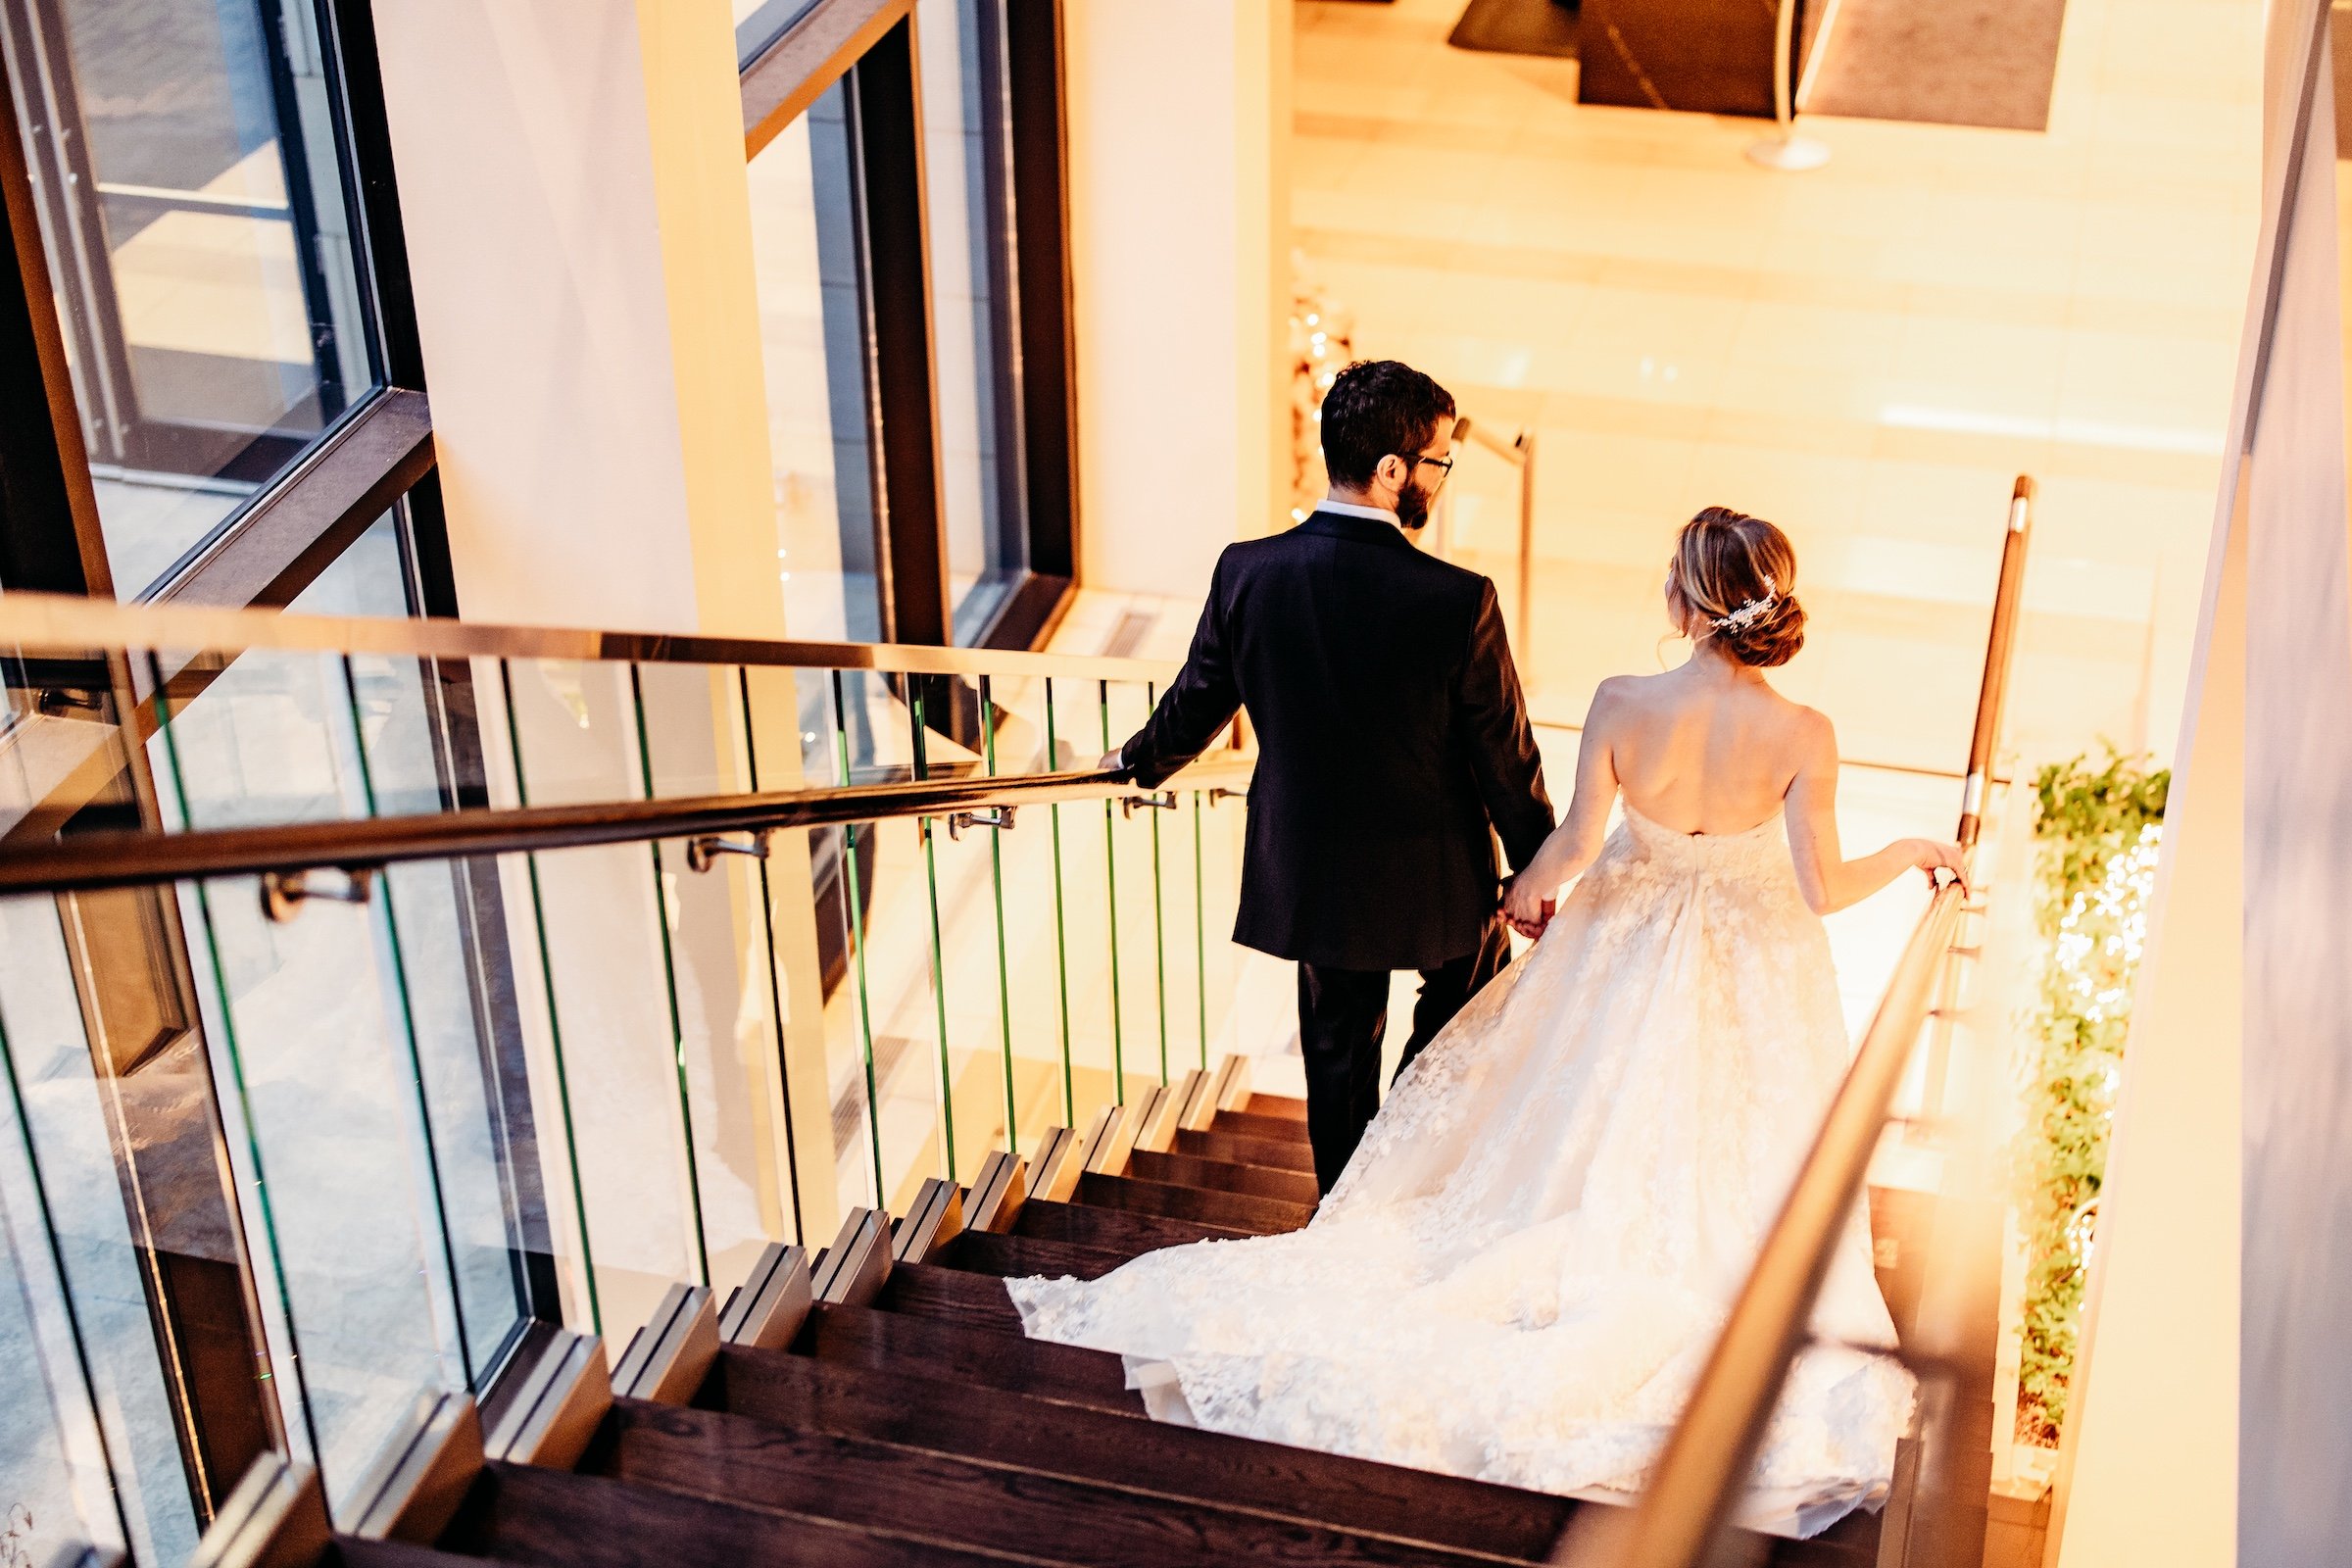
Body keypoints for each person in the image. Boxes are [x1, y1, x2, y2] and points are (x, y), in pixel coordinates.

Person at [1013, 507, 1961, 1537]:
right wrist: (1913, 850)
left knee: (1568, 1127)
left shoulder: (1625, 702)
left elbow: (1577, 848)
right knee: (1720, 1145)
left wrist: (1516, 900)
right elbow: (1821, 888)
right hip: (1745, 967)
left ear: (1689, 600)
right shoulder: (1803, 733)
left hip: (1622, 950)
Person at [1106, 359, 1554, 1194]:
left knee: (1337, 1046)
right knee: (1459, 1007)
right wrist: (1538, 868)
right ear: (1393, 472)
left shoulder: (1249, 570)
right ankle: (1407, 1163)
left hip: (1312, 866)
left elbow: (1200, 696)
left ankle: (1345, 1202)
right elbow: (1504, 752)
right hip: (1436, 872)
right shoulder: (1457, 598)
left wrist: (1137, 761)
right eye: (1437, 462)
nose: (1441, 479)